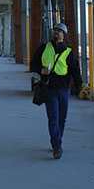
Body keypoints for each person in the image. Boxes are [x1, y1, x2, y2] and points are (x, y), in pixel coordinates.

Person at [30, 22, 83, 160]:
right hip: (49, 89)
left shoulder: (68, 52)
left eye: (59, 31)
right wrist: (40, 71)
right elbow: (34, 63)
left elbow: (75, 70)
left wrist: (79, 86)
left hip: (64, 89)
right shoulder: (44, 48)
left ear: (64, 35)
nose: (57, 33)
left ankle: (57, 140)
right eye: (55, 30)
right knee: (53, 118)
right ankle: (57, 146)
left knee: (62, 119)